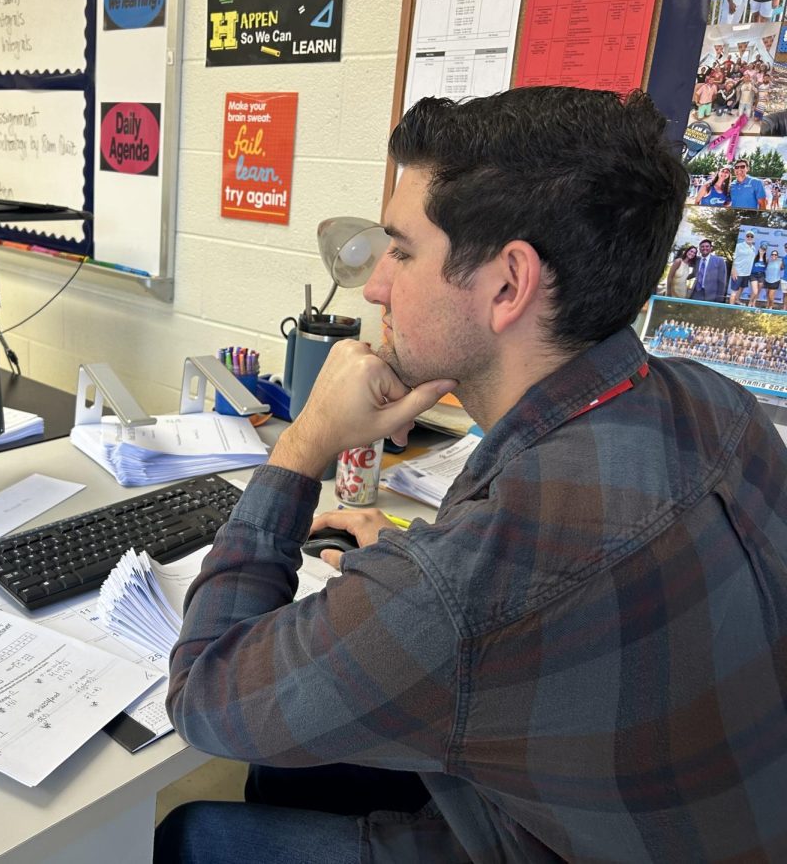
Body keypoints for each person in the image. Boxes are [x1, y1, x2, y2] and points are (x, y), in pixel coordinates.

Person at [156, 87, 787, 863]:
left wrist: (304, 445)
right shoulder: (719, 404)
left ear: (509, 284)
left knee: (195, 834)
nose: (377, 285)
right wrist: (416, 564)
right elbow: (537, 593)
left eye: (402, 250)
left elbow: (206, 695)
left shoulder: (477, 578)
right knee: (295, 770)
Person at [729, 230, 759, 303]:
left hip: (747, 273)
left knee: (741, 288)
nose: (749, 237)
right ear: (745, 237)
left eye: (751, 236)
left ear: (753, 238)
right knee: (733, 293)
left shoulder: (753, 248)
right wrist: (733, 270)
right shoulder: (739, 246)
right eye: (748, 236)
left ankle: (737, 301)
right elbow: (734, 258)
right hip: (738, 273)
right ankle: (730, 308)